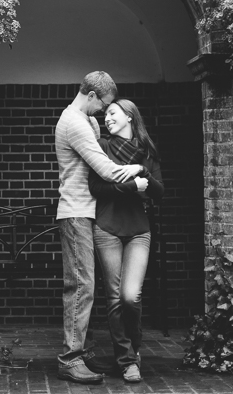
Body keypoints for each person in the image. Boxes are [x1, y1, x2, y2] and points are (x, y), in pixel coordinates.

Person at [54, 71, 144, 385]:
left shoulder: (83, 121)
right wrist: (137, 175)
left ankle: (84, 349)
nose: (103, 113)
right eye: (102, 105)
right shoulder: (75, 123)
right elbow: (104, 169)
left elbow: (95, 133)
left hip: (86, 214)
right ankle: (70, 359)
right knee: (81, 287)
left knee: (85, 286)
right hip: (76, 214)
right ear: (91, 95)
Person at [88, 99, 164, 383]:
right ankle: (127, 360)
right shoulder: (103, 147)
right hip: (107, 228)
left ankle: (133, 351)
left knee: (130, 297)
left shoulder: (147, 151)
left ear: (130, 116)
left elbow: (158, 191)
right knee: (114, 299)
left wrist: (139, 170)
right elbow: (96, 187)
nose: (107, 118)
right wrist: (133, 186)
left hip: (138, 232)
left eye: (112, 113)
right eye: (105, 114)